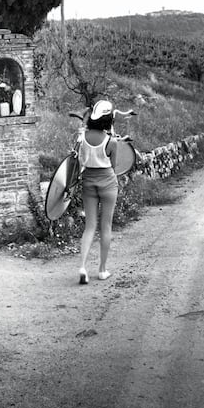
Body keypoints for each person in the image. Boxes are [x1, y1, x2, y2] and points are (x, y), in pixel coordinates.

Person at [77, 100, 118, 284]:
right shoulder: (111, 141)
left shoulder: (82, 137)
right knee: (106, 226)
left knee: (90, 226)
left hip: (88, 182)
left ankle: (83, 267)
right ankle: (102, 270)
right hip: (108, 183)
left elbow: (78, 160)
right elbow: (114, 167)